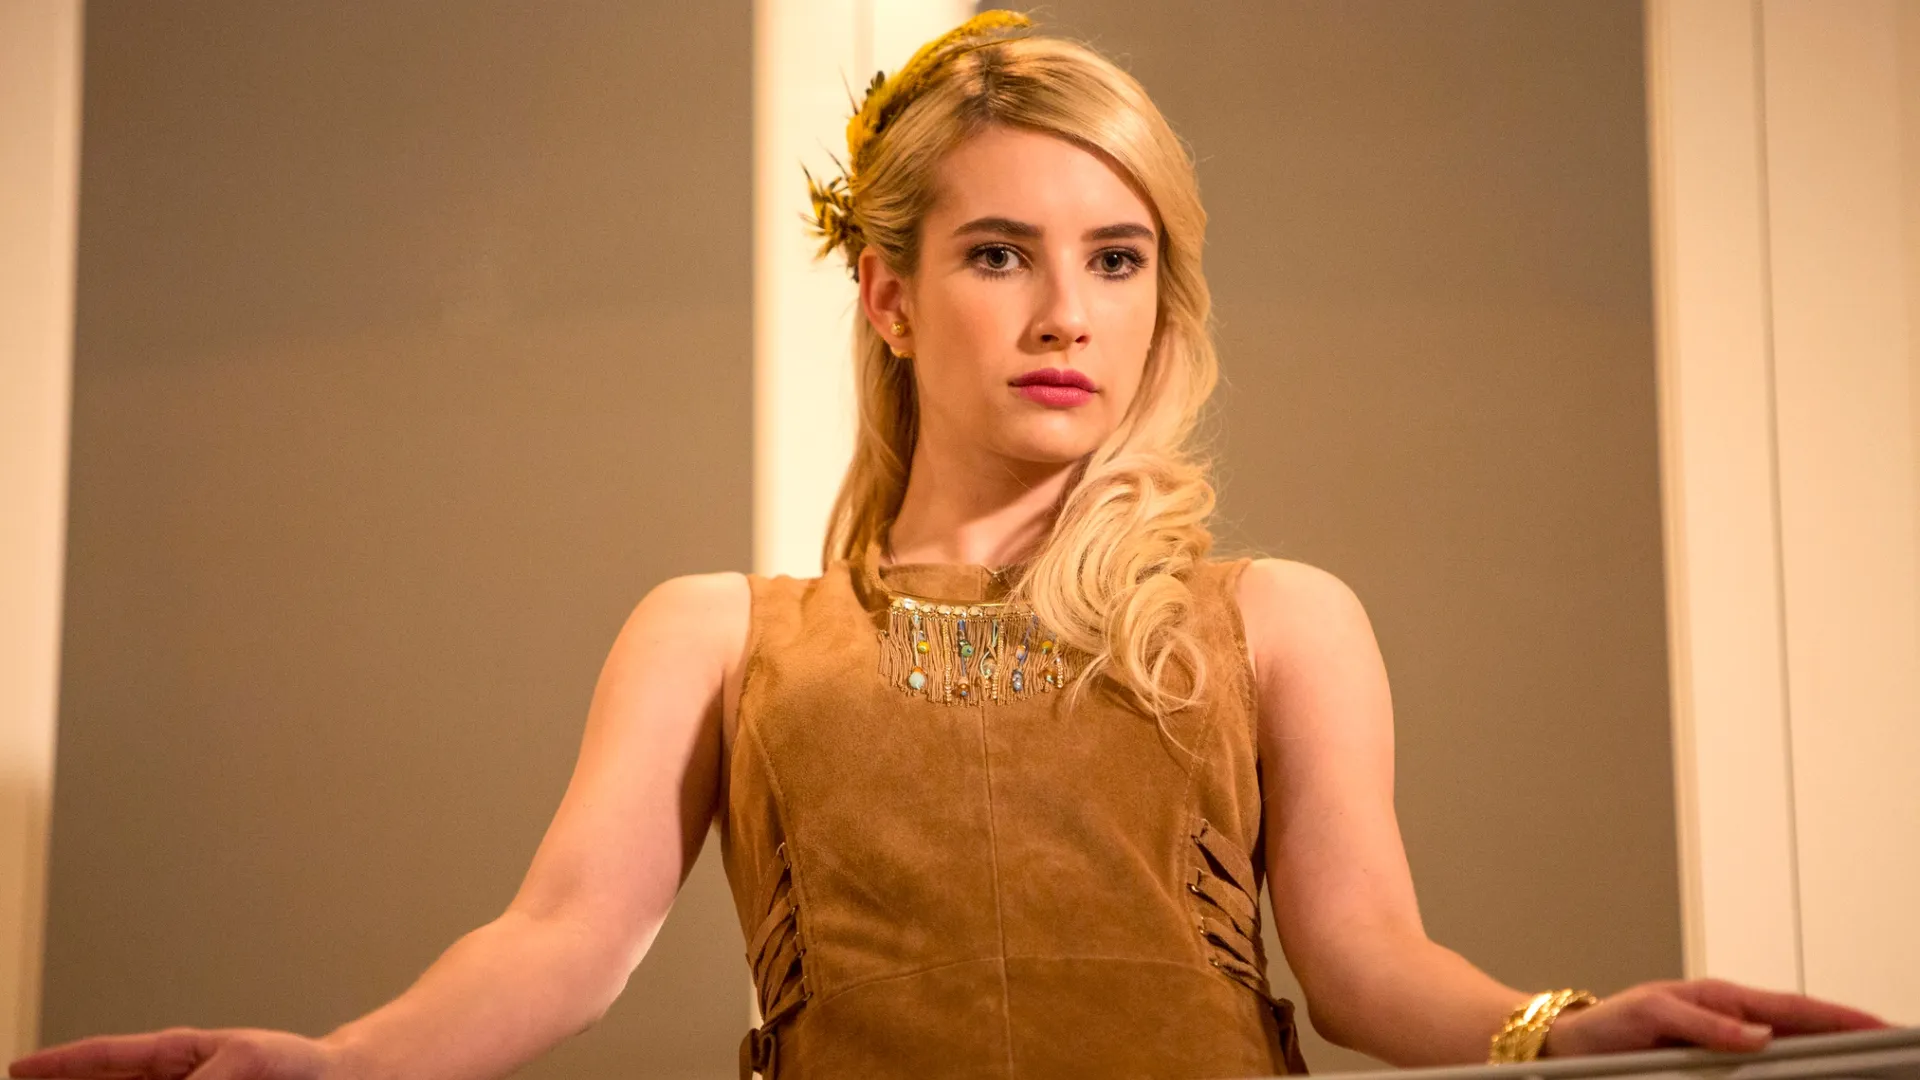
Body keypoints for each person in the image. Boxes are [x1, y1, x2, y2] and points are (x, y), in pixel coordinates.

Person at [8, 11, 1888, 1080]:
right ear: (893, 295)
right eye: (1002, 253)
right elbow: (559, 944)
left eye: (1118, 259)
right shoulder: (716, 635)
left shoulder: (1277, 621)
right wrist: (337, 1069)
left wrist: (1565, 1028)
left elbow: (1369, 961)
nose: (1067, 311)